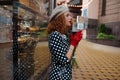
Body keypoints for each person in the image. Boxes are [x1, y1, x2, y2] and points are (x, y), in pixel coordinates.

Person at [46, 5, 83, 80]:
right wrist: (73, 43)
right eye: (67, 15)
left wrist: (75, 43)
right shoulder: (55, 35)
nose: (70, 18)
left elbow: (69, 54)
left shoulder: (62, 35)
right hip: (59, 76)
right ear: (60, 18)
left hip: (64, 74)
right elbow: (64, 60)